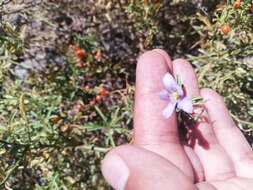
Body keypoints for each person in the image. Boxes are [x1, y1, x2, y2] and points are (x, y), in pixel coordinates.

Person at [101, 50, 253, 190]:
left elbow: (178, 96)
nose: (174, 95)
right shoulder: (174, 99)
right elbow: (173, 97)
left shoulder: (180, 98)